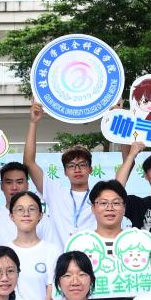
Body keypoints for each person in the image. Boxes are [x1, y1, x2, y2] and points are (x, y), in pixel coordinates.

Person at [24, 100, 96, 241]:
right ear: (65, 172)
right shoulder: (55, 192)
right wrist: (33, 123)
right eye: (71, 166)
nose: (77, 169)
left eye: (82, 165)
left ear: (90, 169)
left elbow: (126, 167)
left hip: (92, 254)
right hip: (61, 254)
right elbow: (29, 162)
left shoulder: (101, 196)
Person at [0, 161, 59, 248]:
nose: (14, 187)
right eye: (9, 182)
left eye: (19, 182)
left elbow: (51, 249)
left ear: (27, 185)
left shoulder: (42, 219)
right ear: (1, 186)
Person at [6, 191, 61, 300]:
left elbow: (52, 293)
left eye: (31, 209)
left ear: (40, 215)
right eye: (20, 210)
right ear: (11, 216)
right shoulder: (4, 252)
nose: (26, 214)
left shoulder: (52, 251)